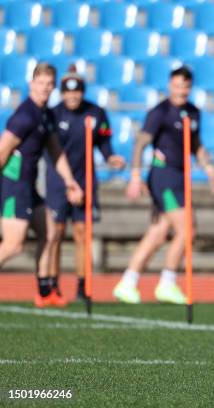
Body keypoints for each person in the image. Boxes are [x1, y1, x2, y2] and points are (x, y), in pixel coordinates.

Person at [112, 66, 214, 304]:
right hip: (164, 177)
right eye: (176, 85)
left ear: (190, 87)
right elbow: (140, 143)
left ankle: (127, 282)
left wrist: (211, 171)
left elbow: (196, 145)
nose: (181, 90)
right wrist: (135, 175)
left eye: (185, 86)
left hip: (180, 176)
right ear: (170, 86)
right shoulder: (159, 112)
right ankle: (167, 282)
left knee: (159, 232)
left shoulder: (193, 113)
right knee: (187, 230)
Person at [0, 63, 83, 307]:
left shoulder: (45, 115)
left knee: (50, 232)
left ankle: (45, 292)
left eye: (50, 84)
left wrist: (70, 182)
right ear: (31, 84)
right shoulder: (25, 116)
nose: (45, 88)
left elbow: (55, 150)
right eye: (41, 83)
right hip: (13, 187)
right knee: (14, 245)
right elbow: (3, 150)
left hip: (29, 188)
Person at [41, 67, 125, 301]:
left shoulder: (95, 114)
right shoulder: (53, 115)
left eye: (77, 92)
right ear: (62, 93)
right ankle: (52, 283)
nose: (73, 97)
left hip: (86, 179)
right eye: (68, 92)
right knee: (55, 232)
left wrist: (111, 158)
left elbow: (104, 143)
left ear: (82, 92)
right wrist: (67, 184)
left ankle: (82, 286)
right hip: (58, 181)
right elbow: (49, 152)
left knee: (82, 233)